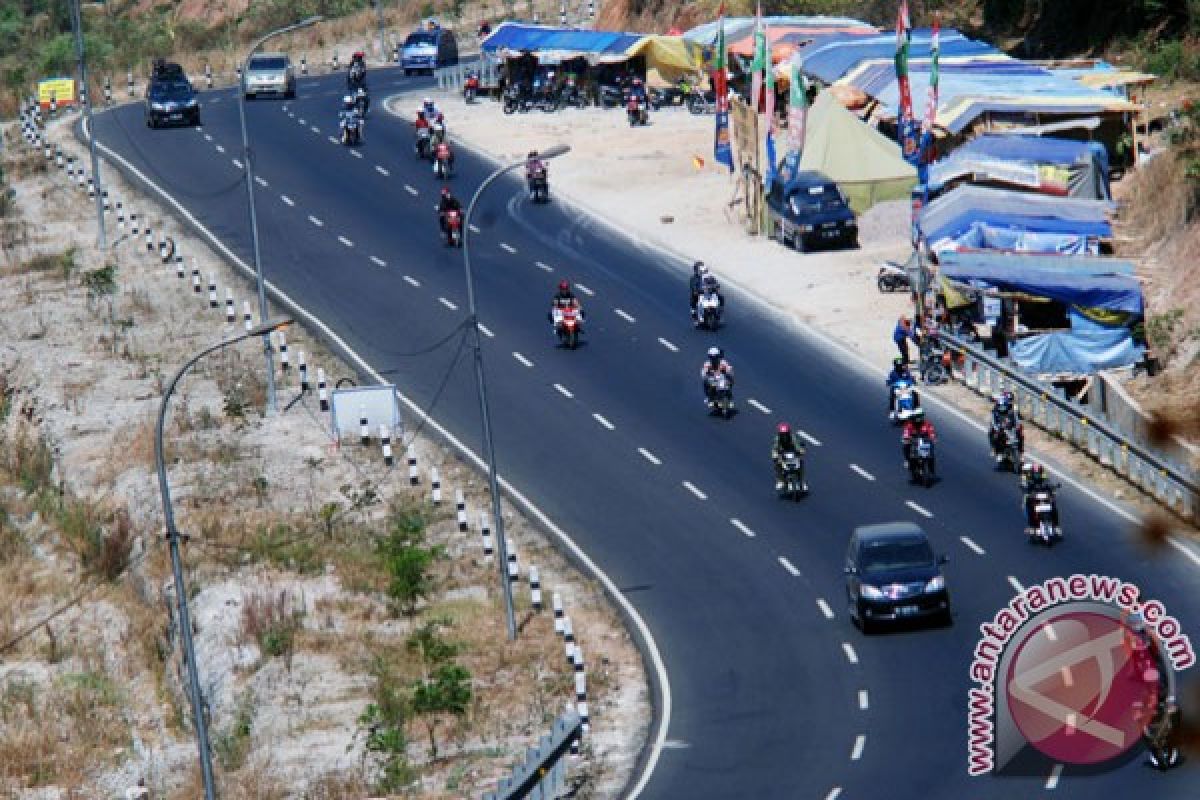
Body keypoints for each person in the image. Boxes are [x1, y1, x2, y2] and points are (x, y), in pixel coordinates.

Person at [1020, 462, 1060, 531]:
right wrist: (1025, 489)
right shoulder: (1028, 478)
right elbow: (1024, 485)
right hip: (1033, 495)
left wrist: (1053, 488)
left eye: (1038, 472)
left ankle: (1056, 526)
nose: (1037, 474)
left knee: (1053, 506)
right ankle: (1031, 526)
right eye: (1035, 472)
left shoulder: (1044, 477)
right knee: (1029, 506)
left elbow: (1049, 483)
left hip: (1044, 495)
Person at [771, 422, 806, 491]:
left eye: (785, 434)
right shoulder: (777, 439)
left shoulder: (792, 437)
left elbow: (797, 445)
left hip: (792, 452)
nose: (784, 436)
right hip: (782, 453)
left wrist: (801, 450)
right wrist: (775, 454)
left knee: (801, 462)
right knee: (778, 464)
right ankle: (780, 480)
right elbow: (774, 448)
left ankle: (802, 481)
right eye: (782, 434)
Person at [988, 390, 1023, 460]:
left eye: (1011, 400)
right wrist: (995, 427)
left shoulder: (1014, 408)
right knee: (991, 432)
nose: (1010, 401)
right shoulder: (998, 406)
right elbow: (993, 417)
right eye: (1009, 400)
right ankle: (995, 449)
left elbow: (1018, 417)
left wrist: (1019, 424)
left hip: (1011, 426)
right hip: (1000, 426)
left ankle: (1021, 452)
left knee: (1021, 434)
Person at [901, 408, 937, 473]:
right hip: (913, 441)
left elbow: (931, 432)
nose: (919, 418)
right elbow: (906, 433)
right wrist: (906, 438)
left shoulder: (927, 424)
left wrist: (933, 438)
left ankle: (931, 467)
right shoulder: (910, 425)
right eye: (917, 416)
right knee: (906, 446)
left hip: (924, 441)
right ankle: (907, 460)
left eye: (920, 416)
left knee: (931, 452)